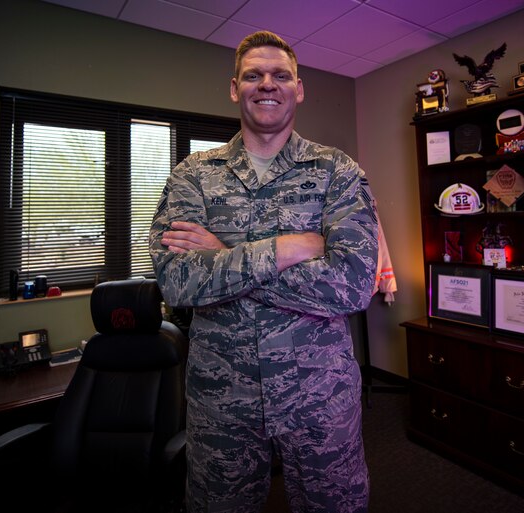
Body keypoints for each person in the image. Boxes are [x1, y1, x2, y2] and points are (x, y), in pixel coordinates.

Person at [149, 31, 377, 513]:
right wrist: (288, 247)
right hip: (221, 396)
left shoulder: (337, 171)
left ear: (299, 87)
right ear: (235, 88)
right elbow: (177, 282)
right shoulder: (192, 175)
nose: (266, 84)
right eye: (253, 75)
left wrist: (223, 252)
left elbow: (353, 286)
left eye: (280, 75)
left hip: (321, 394)